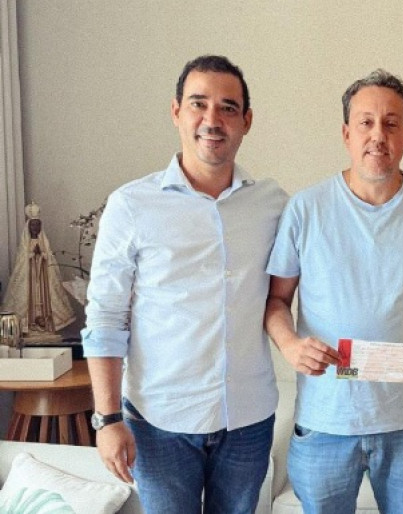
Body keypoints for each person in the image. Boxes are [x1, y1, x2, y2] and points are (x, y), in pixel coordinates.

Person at [81, 55, 288, 514]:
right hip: (159, 423)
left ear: (247, 121)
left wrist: (400, 186)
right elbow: (106, 317)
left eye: (228, 108)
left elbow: (329, 241)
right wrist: (107, 419)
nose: (212, 119)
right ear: (176, 112)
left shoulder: (273, 204)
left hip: (248, 420)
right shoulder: (131, 205)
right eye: (199, 103)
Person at [265, 69, 403, 514]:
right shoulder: (306, 208)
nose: (379, 135)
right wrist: (290, 345)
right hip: (325, 420)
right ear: (346, 133)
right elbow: (276, 300)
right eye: (366, 122)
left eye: (391, 123)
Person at [2, 201, 75, 337]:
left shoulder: (44, 242)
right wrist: (31, 254)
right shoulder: (25, 243)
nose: (35, 227)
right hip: (29, 278)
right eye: (33, 225)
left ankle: (47, 325)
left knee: (46, 298)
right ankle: (29, 326)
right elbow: (21, 260)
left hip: (43, 278)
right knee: (28, 298)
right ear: (28, 226)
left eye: (37, 224)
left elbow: (49, 257)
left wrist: (41, 253)